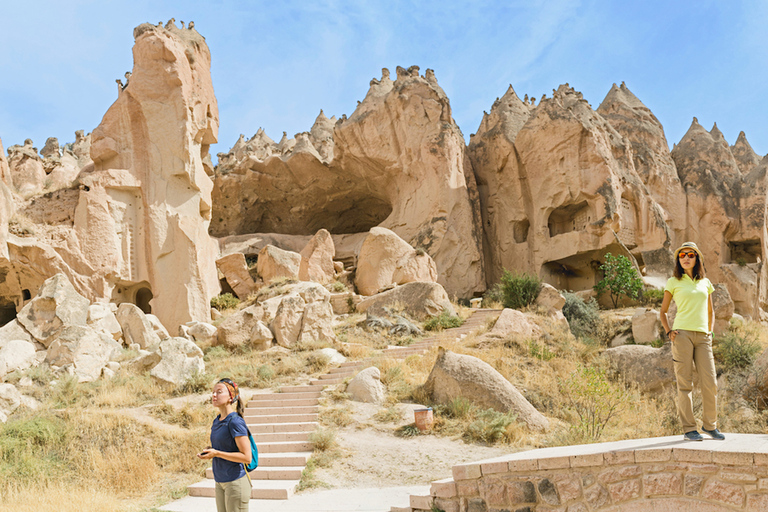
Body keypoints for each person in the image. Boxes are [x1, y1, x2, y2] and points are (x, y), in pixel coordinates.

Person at [660, 242, 724, 441]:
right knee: (684, 384)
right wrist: (668, 330)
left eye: (690, 254)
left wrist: (710, 333)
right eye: (682, 255)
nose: (686, 257)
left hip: (703, 337)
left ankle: (709, 426)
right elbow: (662, 311)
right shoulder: (673, 282)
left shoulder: (706, 283)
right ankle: (689, 429)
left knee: (710, 382)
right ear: (678, 260)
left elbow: (711, 311)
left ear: (697, 258)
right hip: (682, 336)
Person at [198, 378, 252, 511]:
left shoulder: (235, 422)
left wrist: (217, 453)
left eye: (219, 392)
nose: (214, 395)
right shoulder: (217, 421)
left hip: (235, 482)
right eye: (213, 392)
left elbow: (247, 457)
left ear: (230, 397)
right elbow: (225, 447)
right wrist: (211, 451)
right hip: (220, 481)